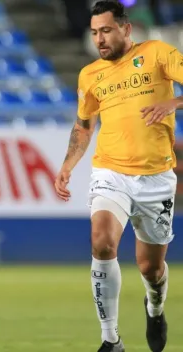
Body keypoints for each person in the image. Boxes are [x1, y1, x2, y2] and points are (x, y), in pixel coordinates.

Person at [54, 1, 182, 351]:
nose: (100, 39)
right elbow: (83, 127)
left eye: (106, 30)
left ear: (126, 28)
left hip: (156, 177)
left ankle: (154, 307)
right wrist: (67, 166)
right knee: (102, 241)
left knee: (151, 269)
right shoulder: (90, 74)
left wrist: (175, 103)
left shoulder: (158, 54)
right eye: (95, 32)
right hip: (110, 171)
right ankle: (111, 340)